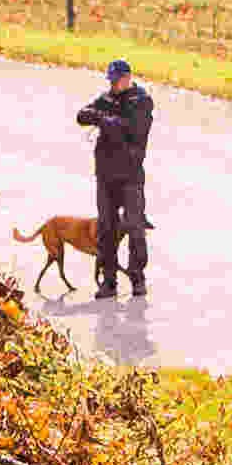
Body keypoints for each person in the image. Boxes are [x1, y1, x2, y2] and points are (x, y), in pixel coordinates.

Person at [72, 57, 153, 298]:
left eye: (118, 80)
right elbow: (82, 115)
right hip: (106, 174)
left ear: (128, 78)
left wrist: (107, 121)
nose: (114, 85)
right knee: (106, 228)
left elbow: (133, 130)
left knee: (134, 226)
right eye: (112, 81)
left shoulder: (141, 101)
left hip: (130, 174)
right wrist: (97, 116)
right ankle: (109, 280)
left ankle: (137, 277)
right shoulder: (106, 98)